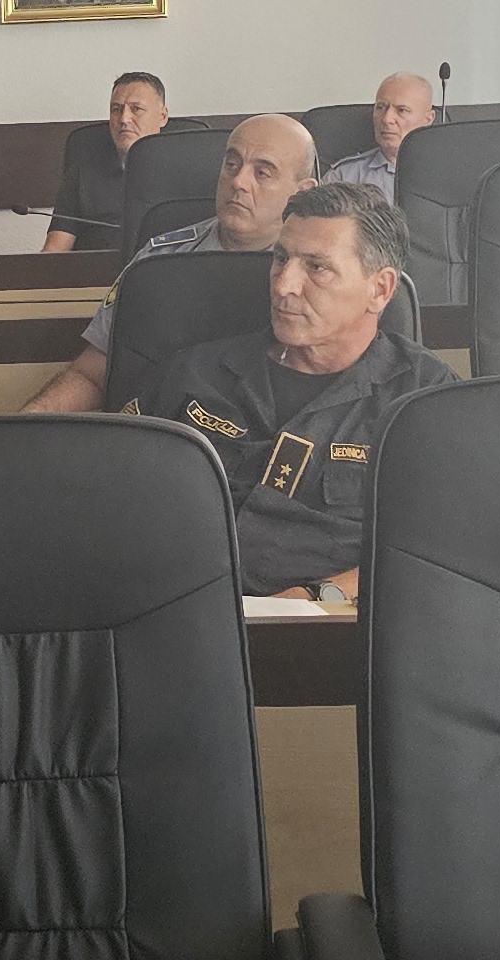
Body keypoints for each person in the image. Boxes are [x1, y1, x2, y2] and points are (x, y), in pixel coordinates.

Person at [134, 184, 454, 602]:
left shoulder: (423, 401)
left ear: (380, 289)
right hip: (175, 607)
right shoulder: (195, 373)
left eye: (317, 268)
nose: (284, 285)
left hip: (331, 628)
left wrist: (318, 597)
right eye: (281, 259)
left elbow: (443, 552)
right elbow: (118, 492)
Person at [24, 111, 319, 414]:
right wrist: (29, 422)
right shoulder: (158, 260)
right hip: (159, 430)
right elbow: (91, 376)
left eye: (262, 173)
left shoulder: (317, 281)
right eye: (231, 165)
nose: (239, 182)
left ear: (302, 192)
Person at [44, 72, 170, 251]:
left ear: (162, 116)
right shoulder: (82, 173)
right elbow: (55, 250)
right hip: (96, 268)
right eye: (116, 109)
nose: (124, 119)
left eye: (136, 109)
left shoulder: (185, 175)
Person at [322, 73, 438, 200]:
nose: (387, 119)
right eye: (381, 108)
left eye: (402, 110)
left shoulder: (448, 173)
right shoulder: (344, 178)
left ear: (428, 119)